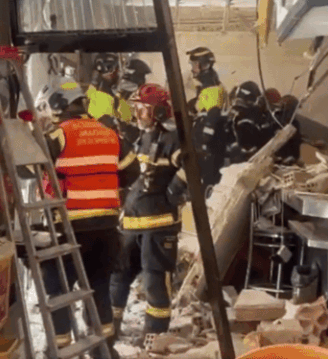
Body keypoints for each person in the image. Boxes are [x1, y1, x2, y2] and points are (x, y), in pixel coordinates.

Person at [40, 81, 134, 359]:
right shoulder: (109, 133)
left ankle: (60, 348)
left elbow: (28, 170)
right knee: (99, 287)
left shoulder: (58, 135)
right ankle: (103, 349)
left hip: (69, 228)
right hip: (106, 229)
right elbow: (132, 172)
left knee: (59, 291)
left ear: (58, 104)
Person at [109, 83, 189, 344]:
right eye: (136, 108)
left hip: (159, 225)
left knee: (154, 282)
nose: (137, 114)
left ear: (159, 112)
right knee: (118, 276)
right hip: (131, 223)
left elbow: (193, 167)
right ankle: (110, 331)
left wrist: (172, 193)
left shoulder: (172, 140)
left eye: (143, 109)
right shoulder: (139, 137)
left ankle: (154, 338)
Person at [186, 47, 226, 112]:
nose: (192, 69)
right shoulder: (212, 83)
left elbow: (208, 114)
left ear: (200, 65)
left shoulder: (211, 90)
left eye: (193, 65)